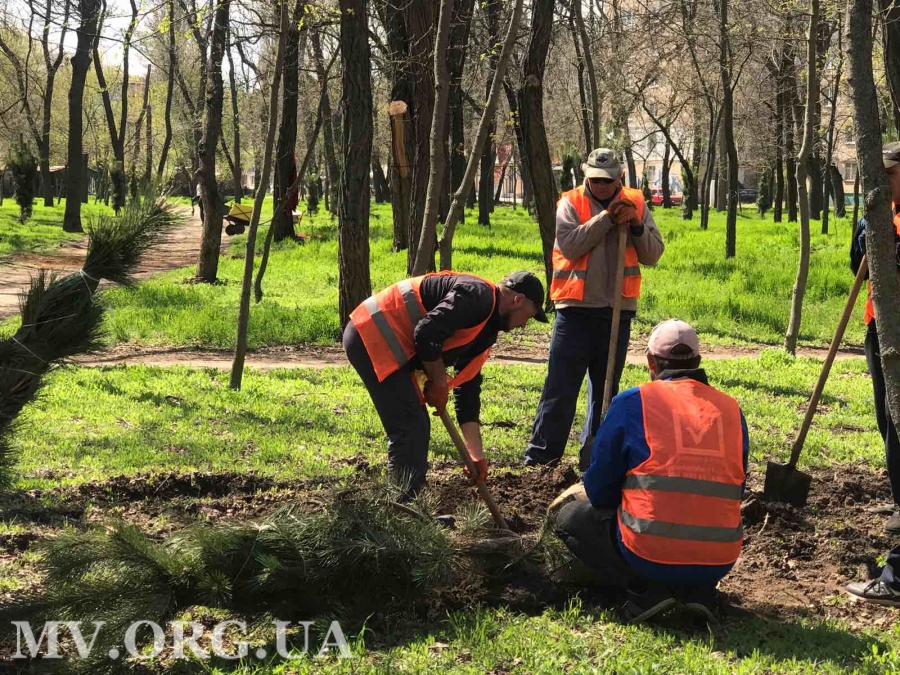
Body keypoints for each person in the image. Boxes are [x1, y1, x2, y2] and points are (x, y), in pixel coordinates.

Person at [553, 320, 750, 622]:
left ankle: (646, 591)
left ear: (651, 362)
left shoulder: (634, 402)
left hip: (648, 555)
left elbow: (600, 491)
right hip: (719, 557)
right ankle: (698, 592)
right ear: (698, 361)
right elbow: (736, 487)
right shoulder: (731, 409)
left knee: (571, 518)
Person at [343, 271, 548, 497]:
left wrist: (475, 454)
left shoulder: (486, 330)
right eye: (528, 316)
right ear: (518, 300)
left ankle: (407, 501)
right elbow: (426, 333)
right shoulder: (478, 297)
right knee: (410, 427)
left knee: (416, 425)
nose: (524, 326)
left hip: (390, 344)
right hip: (372, 333)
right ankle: (402, 507)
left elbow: (468, 389)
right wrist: (439, 383)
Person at [524, 148, 665, 469]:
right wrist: (607, 219)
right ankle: (541, 459)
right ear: (586, 175)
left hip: (617, 311)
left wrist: (636, 226)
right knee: (560, 387)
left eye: (607, 180)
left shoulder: (636, 203)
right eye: (595, 179)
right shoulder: (571, 203)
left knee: (605, 392)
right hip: (575, 310)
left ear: (619, 178)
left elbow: (653, 254)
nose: (601, 186)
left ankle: (595, 460)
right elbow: (570, 246)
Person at [849, 141, 900, 534]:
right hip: (876, 324)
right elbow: (858, 269)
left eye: (891, 173)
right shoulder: (879, 214)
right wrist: (865, 237)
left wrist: (890, 246)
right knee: (885, 415)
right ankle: (898, 495)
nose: (883, 181)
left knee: (897, 415)